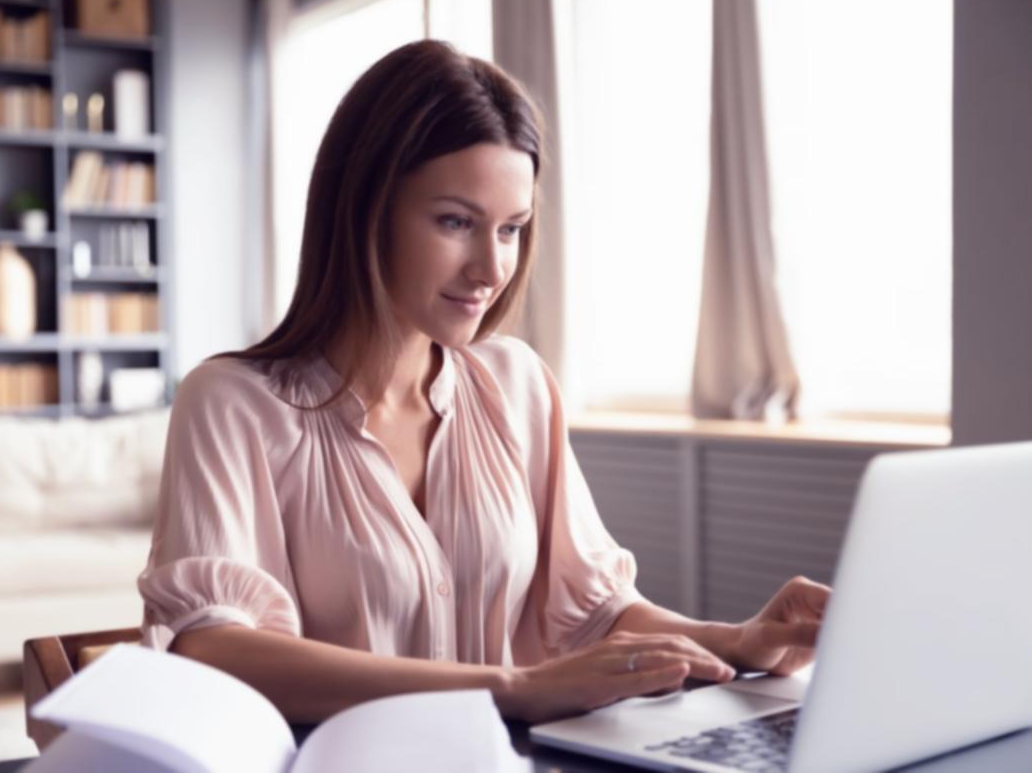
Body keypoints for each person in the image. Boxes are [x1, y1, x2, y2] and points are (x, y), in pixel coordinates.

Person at [138, 39, 830, 726]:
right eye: (456, 222)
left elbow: (594, 613)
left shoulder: (517, 383)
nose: (491, 268)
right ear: (364, 208)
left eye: (512, 229)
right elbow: (216, 649)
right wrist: (512, 686)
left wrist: (740, 641)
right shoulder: (231, 403)